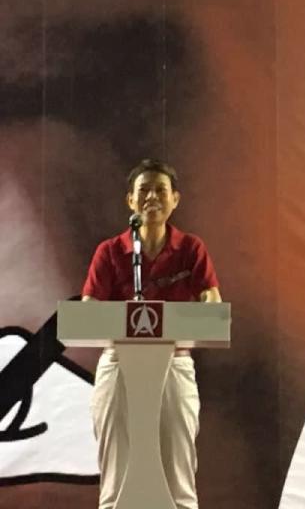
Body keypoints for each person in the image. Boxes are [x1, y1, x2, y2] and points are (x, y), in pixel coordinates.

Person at [82, 158, 221, 509]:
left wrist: (200, 312)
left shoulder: (191, 249)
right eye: (143, 191)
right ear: (130, 200)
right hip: (118, 363)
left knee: (178, 468)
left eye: (161, 190)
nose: (152, 198)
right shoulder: (110, 252)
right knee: (116, 471)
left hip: (174, 362)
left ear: (176, 199)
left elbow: (211, 302)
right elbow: (88, 309)